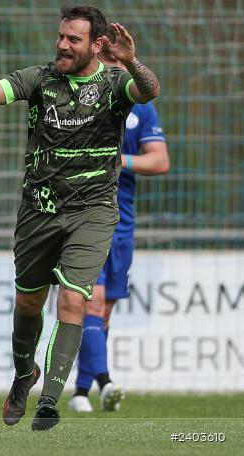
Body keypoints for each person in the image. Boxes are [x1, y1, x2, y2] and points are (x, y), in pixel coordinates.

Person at [0, 4, 161, 431]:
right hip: (39, 210)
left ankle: (51, 400)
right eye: (61, 36)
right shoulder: (39, 79)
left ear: (97, 45)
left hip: (93, 211)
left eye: (72, 39)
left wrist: (132, 59)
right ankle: (25, 377)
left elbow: (149, 91)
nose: (62, 44)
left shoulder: (116, 83)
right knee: (28, 301)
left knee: (75, 299)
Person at [68, 39, 170, 413]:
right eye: (106, 59)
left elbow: (159, 161)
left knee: (103, 311)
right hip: (84, 215)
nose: (113, 66)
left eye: (118, 59)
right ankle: (105, 381)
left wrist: (119, 160)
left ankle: (81, 392)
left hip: (121, 222)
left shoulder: (141, 110)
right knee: (90, 302)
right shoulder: (81, 102)